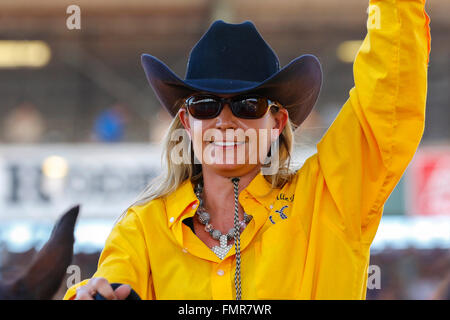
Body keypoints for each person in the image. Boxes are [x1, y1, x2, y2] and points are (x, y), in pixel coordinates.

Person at [64, 0, 431, 300]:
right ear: (187, 122)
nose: (224, 121)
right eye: (206, 105)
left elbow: (386, 107)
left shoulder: (329, 200)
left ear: (277, 122)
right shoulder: (143, 229)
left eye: (248, 105)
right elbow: (108, 284)